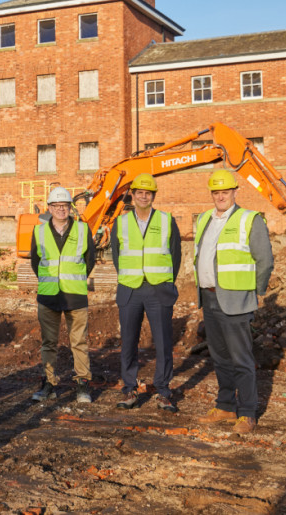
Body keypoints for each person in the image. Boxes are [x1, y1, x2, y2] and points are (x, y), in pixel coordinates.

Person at [194, 169, 273, 433]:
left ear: (234, 192)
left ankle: (247, 412)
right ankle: (226, 405)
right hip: (210, 297)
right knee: (220, 357)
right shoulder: (204, 219)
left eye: (225, 192)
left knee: (241, 358)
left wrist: (254, 292)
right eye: (216, 192)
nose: (220, 197)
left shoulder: (250, 219)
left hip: (236, 300)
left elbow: (265, 260)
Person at [110, 173, 182, 412]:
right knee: (129, 342)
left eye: (148, 192)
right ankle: (129, 389)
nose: (143, 196)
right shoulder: (120, 223)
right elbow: (116, 255)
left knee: (163, 343)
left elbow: (175, 255)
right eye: (139, 192)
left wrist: (164, 281)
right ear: (133, 194)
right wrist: (130, 276)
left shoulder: (166, 220)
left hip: (157, 289)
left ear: (153, 195)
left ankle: (163, 391)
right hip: (130, 289)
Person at [30, 186, 96, 403]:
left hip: (75, 295)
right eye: (56, 206)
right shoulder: (38, 231)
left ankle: (83, 384)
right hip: (48, 296)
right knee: (49, 342)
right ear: (49, 208)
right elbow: (35, 262)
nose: (61, 209)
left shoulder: (83, 230)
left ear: (70, 208)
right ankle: (49, 383)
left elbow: (90, 260)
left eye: (65, 206)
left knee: (79, 342)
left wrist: (73, 278)